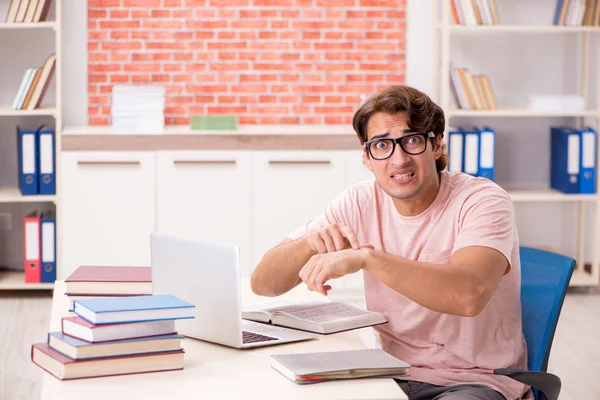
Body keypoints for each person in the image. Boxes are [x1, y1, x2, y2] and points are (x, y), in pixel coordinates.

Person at [250, 85, 530, 400]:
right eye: (382, 145)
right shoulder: (359, 201)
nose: (398, 160)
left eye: (412, 140)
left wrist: (367, 259)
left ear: (436, 146)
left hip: (473, 381)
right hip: (389, 374)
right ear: (368, 157)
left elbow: (468, 296)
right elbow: (263, 283)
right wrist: (309, 244)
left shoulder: (482, 201)